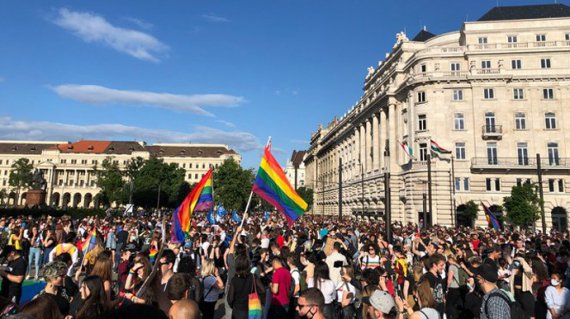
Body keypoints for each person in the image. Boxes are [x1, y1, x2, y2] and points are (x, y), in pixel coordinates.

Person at [227, 254, 266, 319]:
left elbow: (230, 299)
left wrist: (233, 306)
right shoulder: (253, 277)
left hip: (238, 311)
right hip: (252, 309)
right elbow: (263, 290)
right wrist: (259, 299)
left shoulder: (234, 280)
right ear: (248, 265)